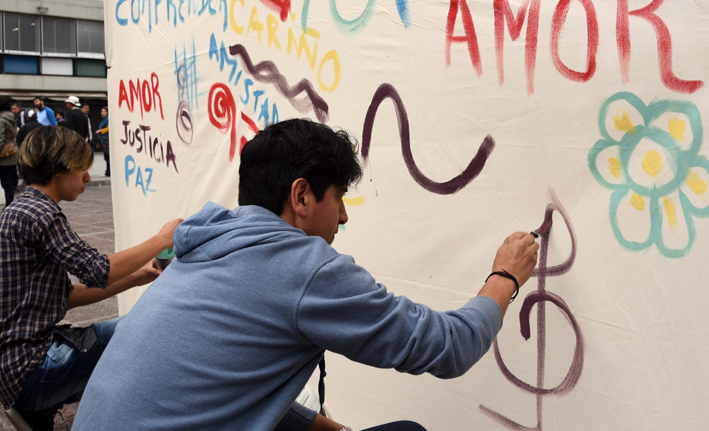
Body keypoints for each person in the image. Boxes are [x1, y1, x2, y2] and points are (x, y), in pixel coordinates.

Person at [73, 119, 539, 431]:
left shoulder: (210, 243)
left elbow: (216, 387)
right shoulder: (300, 268)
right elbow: (444, 347)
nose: (343, 218)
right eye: (338, 198)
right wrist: (505, 277)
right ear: (301, 197)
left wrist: (314, 425)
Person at [0, 126, 182, 431]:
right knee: (149, 332)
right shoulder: (40, 214)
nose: (88, 177)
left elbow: (65, 297)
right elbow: (99, 270)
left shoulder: (21, 208)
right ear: (58, 170)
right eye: (81, 168)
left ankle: (46, 412)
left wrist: (137, 278)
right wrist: (163, 239)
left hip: (11, 370)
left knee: (133, 325)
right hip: (30, 371)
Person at [0, 97, 18, 213]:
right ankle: (10, 205)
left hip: (3, 155)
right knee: (10, 182)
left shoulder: (0, 120)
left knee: (6, 183)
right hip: (12, 152)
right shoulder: (11, 118)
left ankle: (9, 207)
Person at [95, 107, 109, 177]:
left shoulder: (108, 119)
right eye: (102, 111)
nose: (102, 113)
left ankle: (108, 172)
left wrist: (101, 131)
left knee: (108, 157)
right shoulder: (103, 120)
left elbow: (109, 127)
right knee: (106, 157)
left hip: (107, 140)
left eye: (104, 111)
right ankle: (108, 172)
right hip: (103, 140)